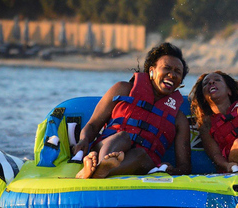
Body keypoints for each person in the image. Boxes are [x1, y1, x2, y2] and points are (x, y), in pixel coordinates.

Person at [74, 42, 191, 178]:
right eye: (167, 68)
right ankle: (103, 165)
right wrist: (83, 139)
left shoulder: (179, 119)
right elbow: (93, 125)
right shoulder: (123, 90)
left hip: (140, 163)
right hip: (107, 147)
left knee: (140, 154)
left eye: (178, 72)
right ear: (152, 71)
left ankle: (98, 172)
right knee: (122, 137)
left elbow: (185, 166)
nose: (172, 75)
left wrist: (172, 170)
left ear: (180, 82)